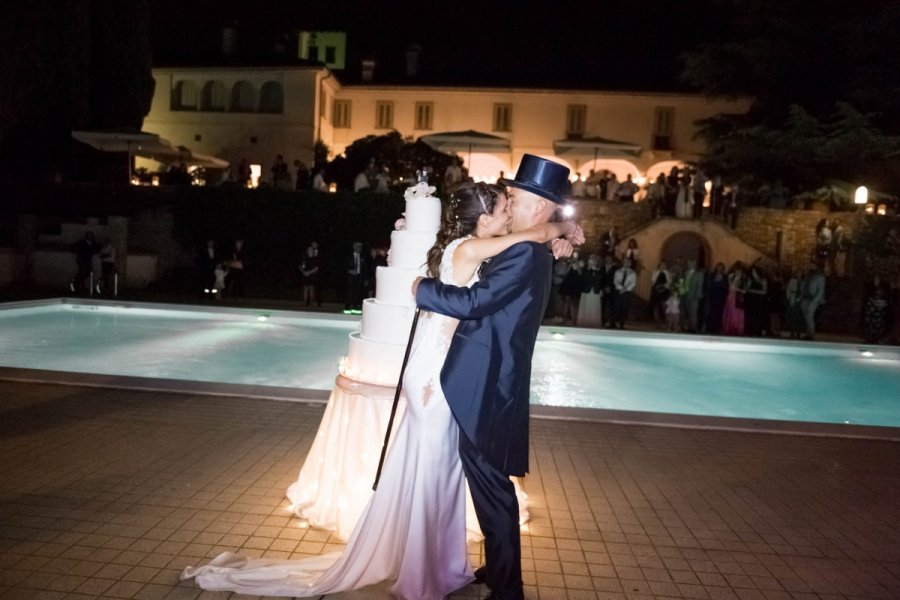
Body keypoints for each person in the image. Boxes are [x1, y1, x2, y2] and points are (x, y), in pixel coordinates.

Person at [182, 178, 581, 599]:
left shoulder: (490, 246)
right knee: (433, 472)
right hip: (437, 375)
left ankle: (442, 563)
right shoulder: (471, 248)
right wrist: (558, 229)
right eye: (503, 207)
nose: (508, 212)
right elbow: (527, 241)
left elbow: (530, 239)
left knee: (441, 471)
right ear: (483, 218)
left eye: (512, 203)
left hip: (449, 370)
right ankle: (427, 571)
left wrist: (564, 232)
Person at [414, 155, 579, 600]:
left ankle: (509, 589)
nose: (511, 206)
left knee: (492, 487)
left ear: (541, 206)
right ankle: (501, 569)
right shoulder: (530, 245)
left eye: (519, 199)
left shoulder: (524, 252)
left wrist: (421, 289)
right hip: (493, 379)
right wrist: (567, 234)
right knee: (490, 484)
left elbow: (473, 304)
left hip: (485, 383)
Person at [800, 261, 826, 340]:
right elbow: (803, 285)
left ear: (816, 266)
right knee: (806, 317)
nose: (811, 267)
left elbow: (820, 290)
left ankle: (811, 334)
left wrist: (815, 301)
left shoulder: (820, 277)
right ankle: (808, 333)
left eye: (813, 265)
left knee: (809, 316)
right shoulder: (808, 275)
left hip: (813, 299)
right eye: (810, 265)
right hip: (805, 298)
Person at [343, 241, 367, 314]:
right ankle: (347, 307)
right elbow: (344, 267)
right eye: (357, 247)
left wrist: (365, 278)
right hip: (350, 276)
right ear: (354, 247)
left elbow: (365, 268)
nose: (359, 248)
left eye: (360, 247)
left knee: (357, 292)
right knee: (349, 292)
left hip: (359, 276)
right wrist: (349, 271)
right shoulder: (349, 257)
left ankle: (355, 307)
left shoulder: (363, 257)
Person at [299, 242, 320, 307]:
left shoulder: (315, 258)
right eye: (309, 250)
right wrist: (303, 272)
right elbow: (300, 266)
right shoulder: (304, 258)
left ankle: (311, 302)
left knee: (311, 288)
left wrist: (309, 272)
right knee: (305, 288)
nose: (310, 250)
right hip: (305, 274)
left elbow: (317, 268)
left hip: (312, 275)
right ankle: (305, 302)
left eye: (311, 250)